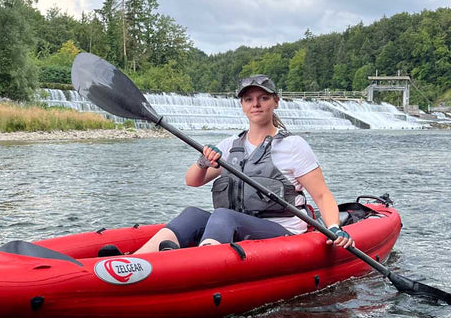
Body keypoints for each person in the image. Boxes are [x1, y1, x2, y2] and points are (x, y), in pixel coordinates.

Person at [133, 74, 355, 254]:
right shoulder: (230, 145)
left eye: (263, 98)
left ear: (275, 101)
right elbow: (192, 181)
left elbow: (322, 195)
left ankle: (199, 264)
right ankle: (136, 261)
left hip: (283, 232)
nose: (256, 104)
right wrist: (202, 163)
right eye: (249, 99)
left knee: (222, 216)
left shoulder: (293, 145)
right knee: (192, 214)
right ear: (242, 105)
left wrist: (334, 227)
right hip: (238, 224)